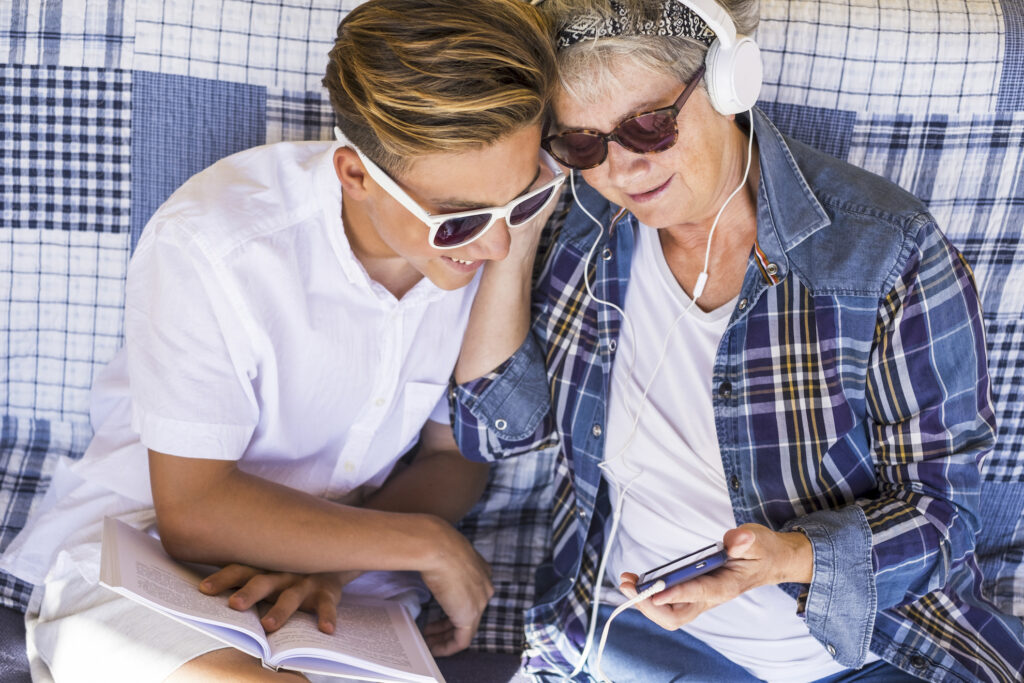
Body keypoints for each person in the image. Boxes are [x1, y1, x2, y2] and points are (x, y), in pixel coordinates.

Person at [450, 0, 1024, 681]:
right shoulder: (584, 228)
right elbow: (491, 435)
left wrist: (789, 556)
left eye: (650, 125)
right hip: (630, 637)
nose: (623, 170)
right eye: (582, 143)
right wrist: (515, 242)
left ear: (729, 82)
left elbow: (946, 522)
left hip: (869, 649)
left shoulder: (885, 249)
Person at [0, 0, 563, 680]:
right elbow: (194, 511)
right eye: (457, 219)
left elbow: (457, 453)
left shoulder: (481, 243)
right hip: (149, 559)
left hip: (345, 590)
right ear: (356, 174)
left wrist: (346, 559)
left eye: (522, 198)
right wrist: (425, 542)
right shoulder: (217, 244)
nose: (496, 240)